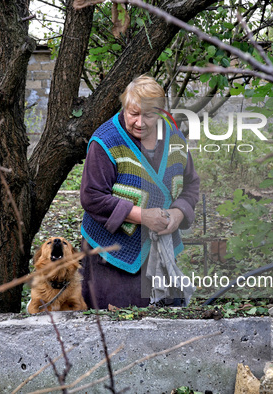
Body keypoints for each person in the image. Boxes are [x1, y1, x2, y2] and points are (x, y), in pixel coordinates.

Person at [80, 75, 200, 309]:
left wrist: (178, 213)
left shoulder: (175, 139)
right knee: (115, 325)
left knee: (162, 321)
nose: (140, 122)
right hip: (111, 256)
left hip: (160, 249)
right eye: (133, 113)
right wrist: (143, 216)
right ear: (124, 107)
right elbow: (92, 196)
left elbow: (191, 185)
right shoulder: (105, 141)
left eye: (149, 115)